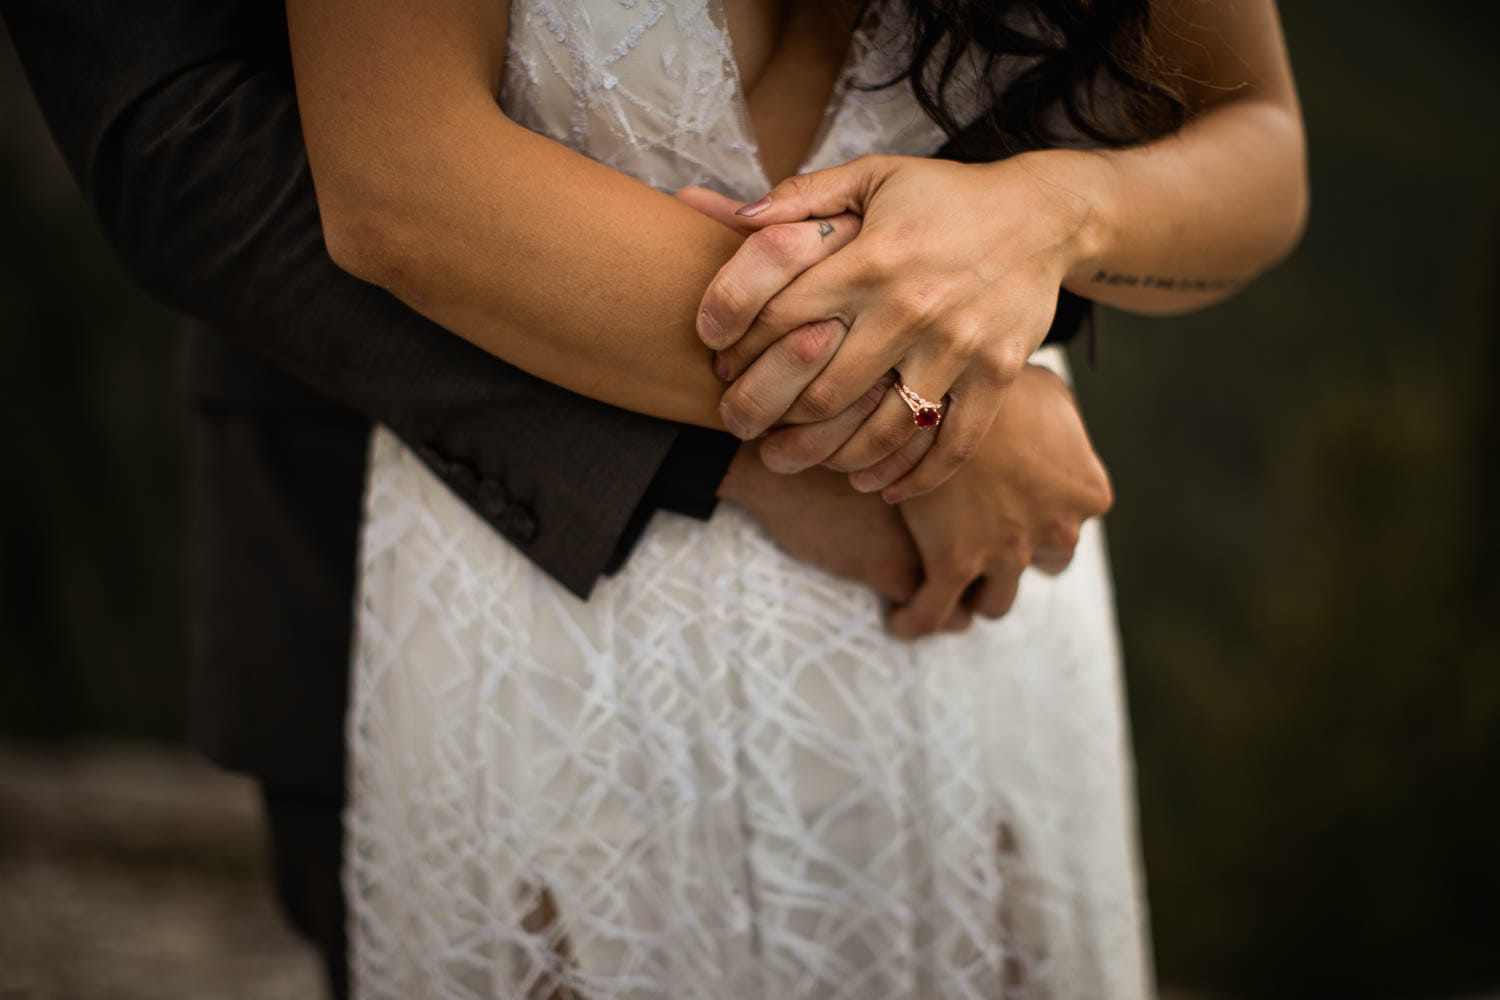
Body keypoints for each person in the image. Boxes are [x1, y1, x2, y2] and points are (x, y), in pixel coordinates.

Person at [2, 1, 1104, 997]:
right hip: (454, 571)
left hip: (961, 607)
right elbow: (181, 140)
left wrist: (1039, 223)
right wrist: (864, 415)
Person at [286, 0, 1305, 997]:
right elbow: (397, 175)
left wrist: (1048, 216)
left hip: (956, 613)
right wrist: (914, 402)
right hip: (551, 614)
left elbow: (1259, 144)